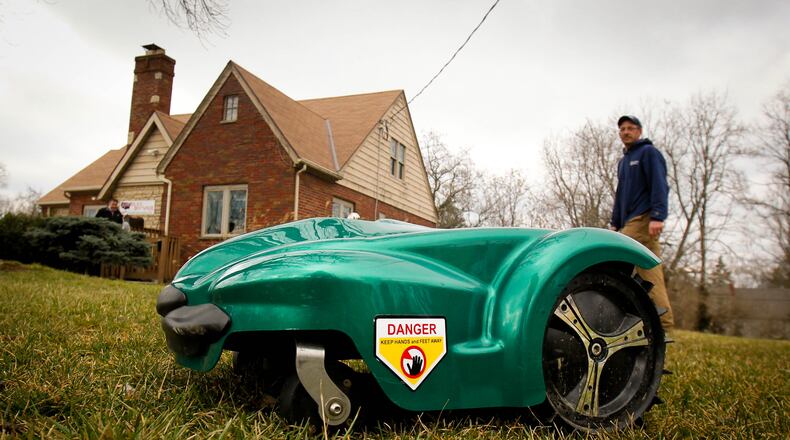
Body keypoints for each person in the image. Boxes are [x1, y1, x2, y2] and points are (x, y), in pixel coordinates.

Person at [610, 115, 674, 331]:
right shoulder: (624, 162)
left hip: (643, 218)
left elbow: (659, 184)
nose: (626, 132)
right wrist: (615, 223)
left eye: (630, 128)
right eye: (622, 129)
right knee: (650, 271)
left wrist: (657, 215)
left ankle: (614, 315)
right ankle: (662, 323)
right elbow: (621, 195)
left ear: (639, 131)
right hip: (629, 220)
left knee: (612, 256)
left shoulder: (648, 153)